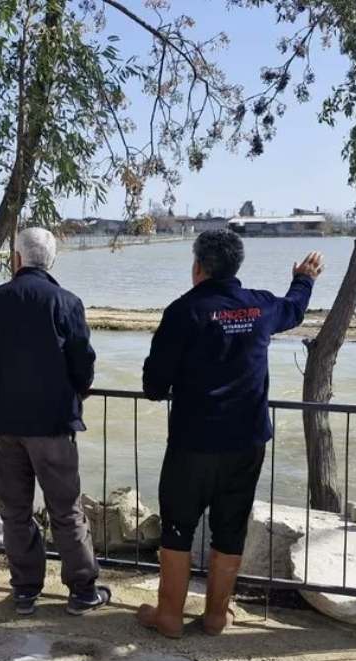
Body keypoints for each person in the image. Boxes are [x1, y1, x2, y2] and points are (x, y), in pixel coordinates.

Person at [137, 229, 324, 638]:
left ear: (198, 267)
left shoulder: (183, 312)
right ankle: (217, 617)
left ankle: (169, 616)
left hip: (193, 443)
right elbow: (293, 310)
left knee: (178, 528)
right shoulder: (258, 306)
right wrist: (304, 279)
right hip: (246, 442)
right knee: (230, 528)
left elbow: (153, 385)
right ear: (236, 266)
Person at [0, 227, 110, 616]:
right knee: (66, 509)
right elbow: (83, 363)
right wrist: (78, 389)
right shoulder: (66, 302)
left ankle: (25, 590)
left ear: (16, 259)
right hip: (53, 424)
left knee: (14, 511)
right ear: (51, 261)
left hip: (3, 424)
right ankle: (81, 591)